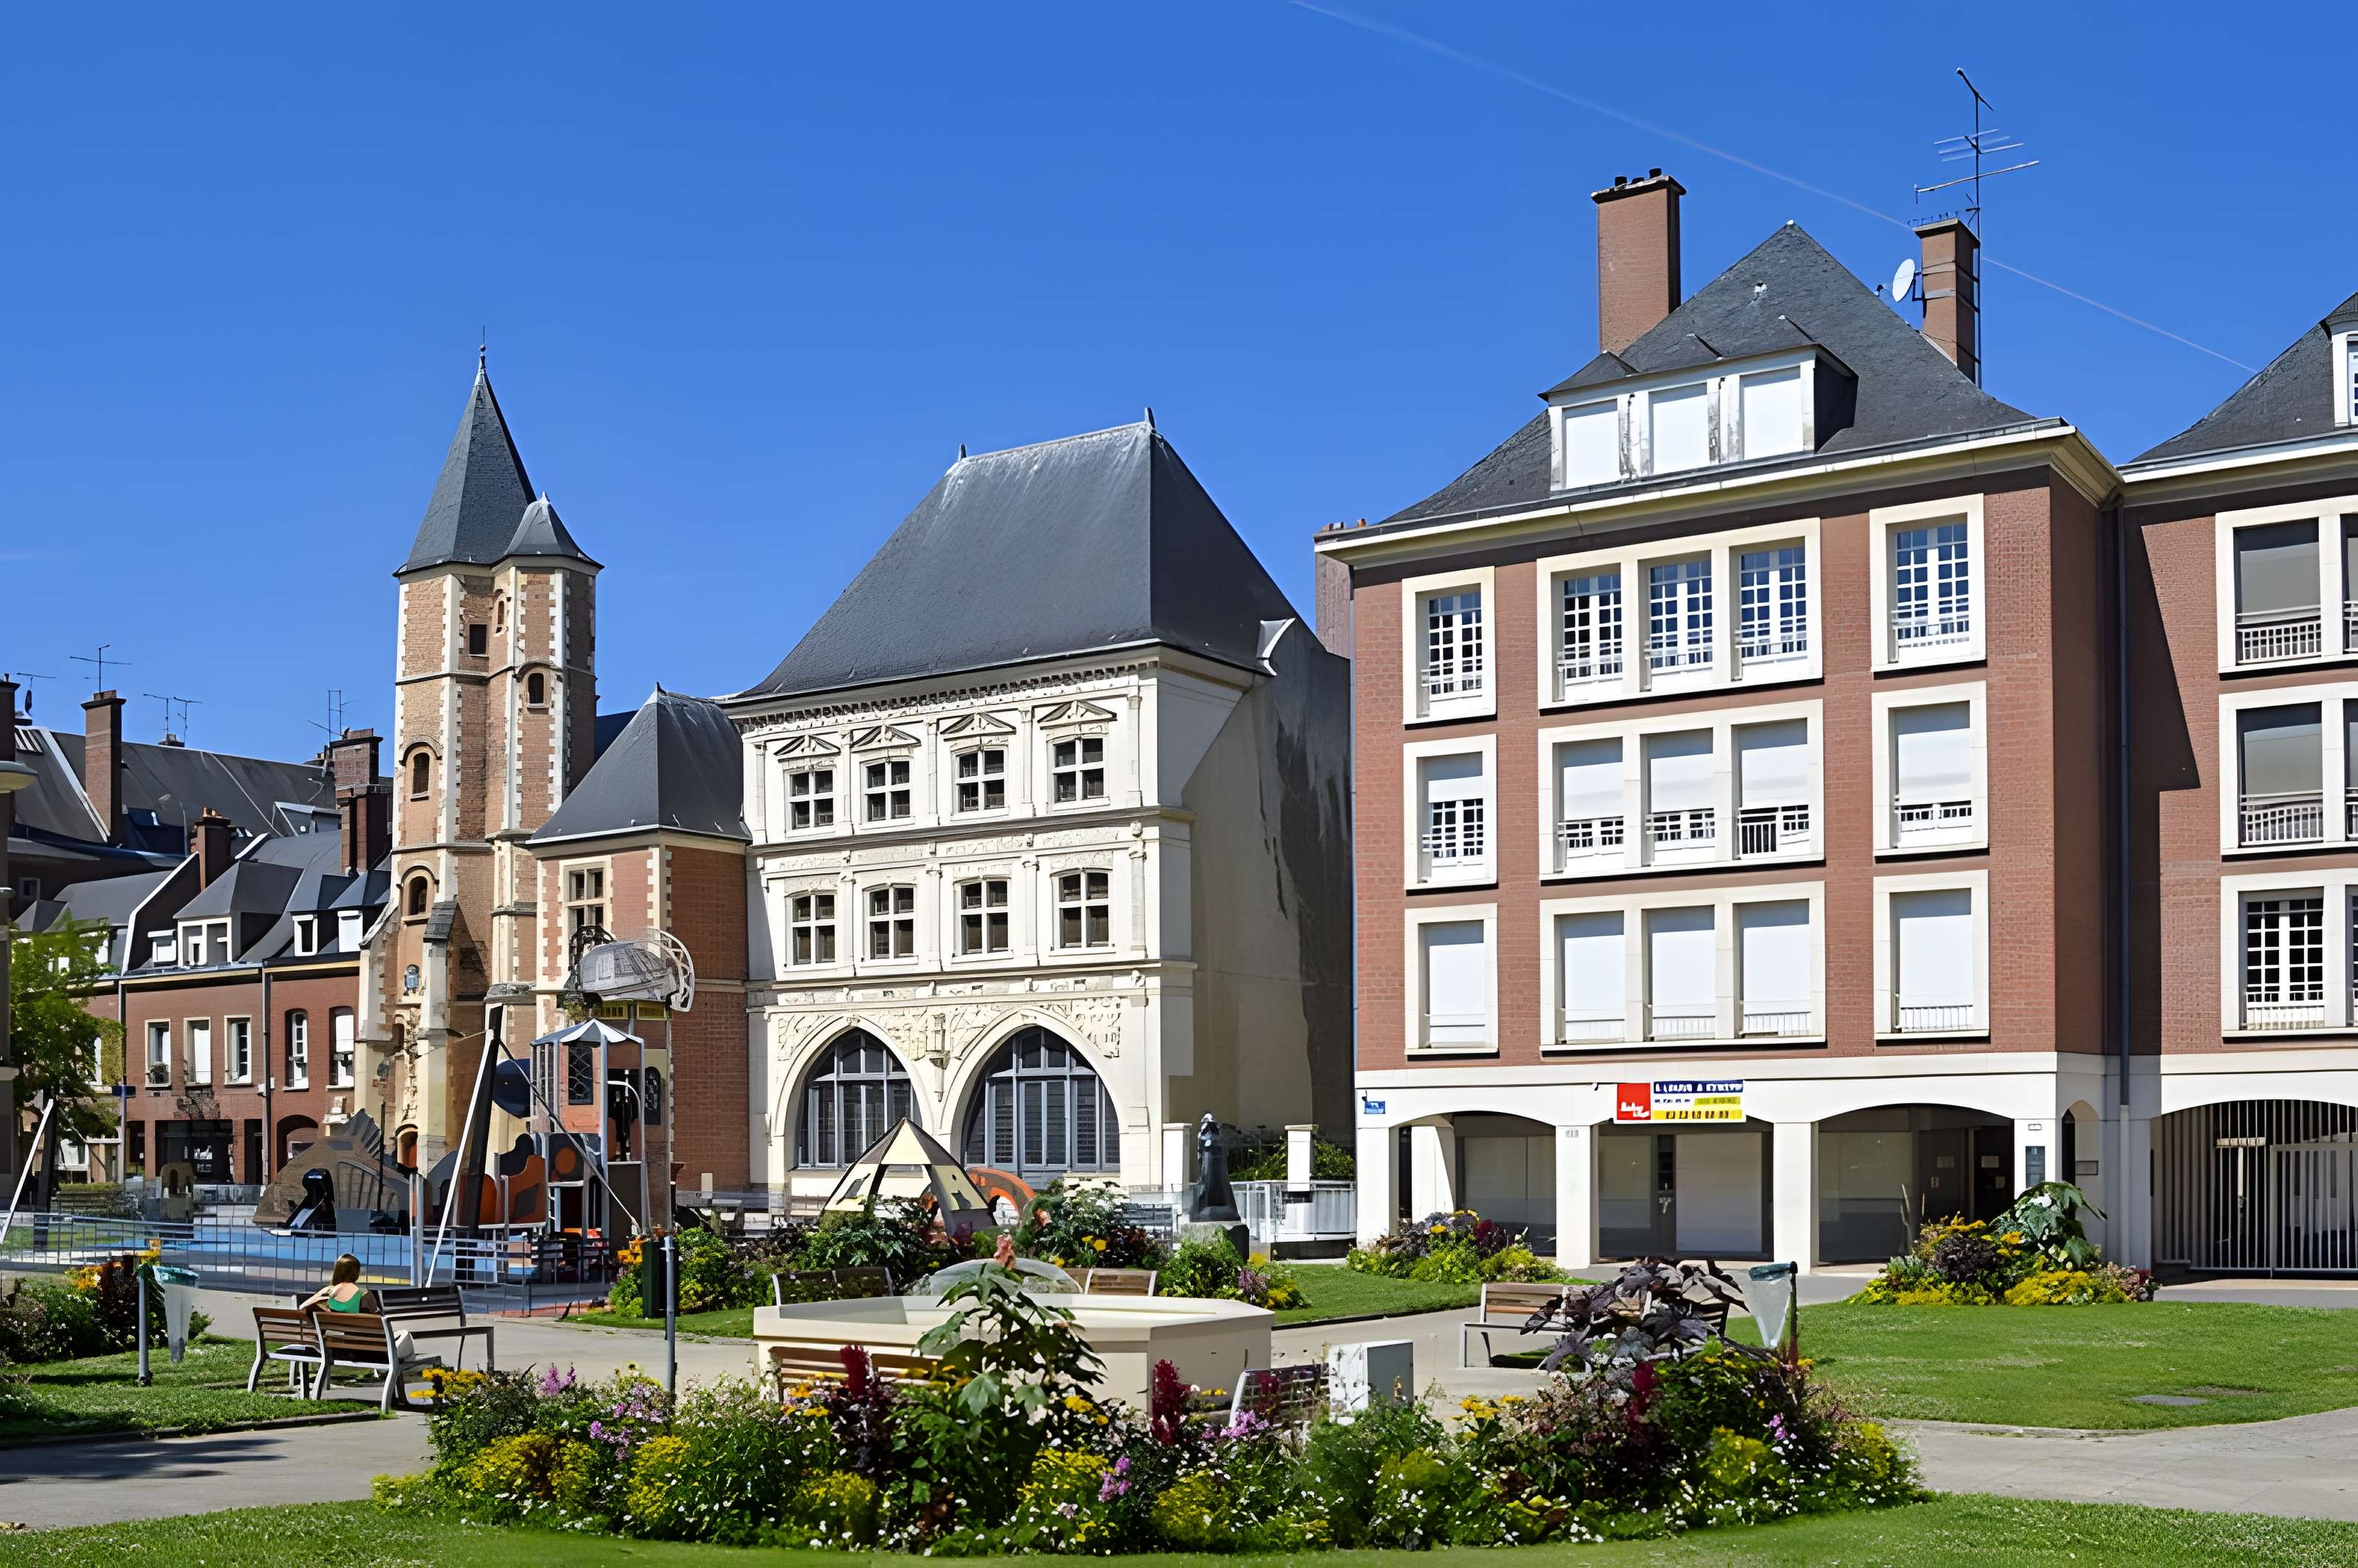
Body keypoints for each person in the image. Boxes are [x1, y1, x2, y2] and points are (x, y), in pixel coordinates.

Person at [300, 1253, 371, 1314]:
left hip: (329, 1328)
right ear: (357, 1273)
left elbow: (302, 1307)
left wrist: (320, 1299)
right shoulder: (364, 1293)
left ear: (337, 1272)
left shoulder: (328, 1291)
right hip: (352, 1328)